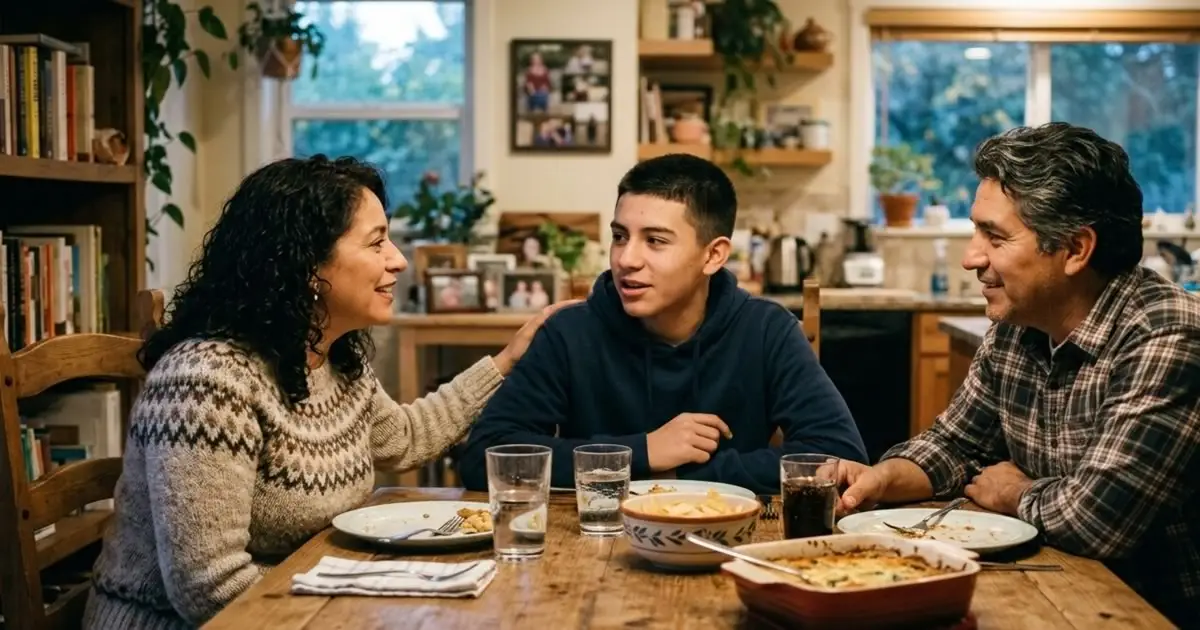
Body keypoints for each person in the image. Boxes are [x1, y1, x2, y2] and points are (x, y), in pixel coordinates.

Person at [83, 155, 575, 629]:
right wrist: (353, 606)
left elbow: (404, 438)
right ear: (307, 266)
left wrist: (506, 360)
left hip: (295, 604)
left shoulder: (329, 358)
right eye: (377, 243)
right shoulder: (205, 382)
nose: (399, 260)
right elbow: (208, 587)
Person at [835, 123, 1200, 627]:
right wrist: (881, 479)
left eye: (996, 236)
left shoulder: (1167, 334)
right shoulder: (1020, 324)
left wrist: (1013, 493)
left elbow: (1097, 520)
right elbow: (956, 445)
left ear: (1076, 249)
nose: (971, 257)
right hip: (1053, 592)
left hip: (1150, 615)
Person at [459, 153, 867, 495]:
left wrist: (676, 476)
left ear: (713, 256)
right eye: (620, 236)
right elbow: (484, 458)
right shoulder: (569, 332)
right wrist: (644, 452)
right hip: (596, 539)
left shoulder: (766, 330)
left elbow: (839, 457)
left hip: (728, 539)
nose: (626, 259)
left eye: (655, 241)